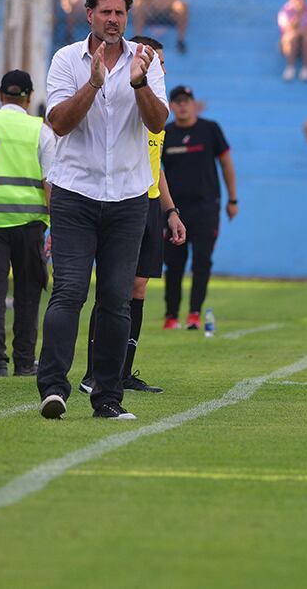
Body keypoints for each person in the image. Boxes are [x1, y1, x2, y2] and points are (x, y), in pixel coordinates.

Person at [37, 0, 167, 421]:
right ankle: (53, 388)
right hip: (75, 192)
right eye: (105, 12)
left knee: (115, 298)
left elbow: (157, 123)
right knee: (69, 291)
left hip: (128, 196)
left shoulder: (145, 61)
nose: (113, 20)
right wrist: (92, 85)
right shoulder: (65, 59)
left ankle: (107, 398)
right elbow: (57, 123)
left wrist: (139, 84)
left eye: (120, 13)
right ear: (89, 14)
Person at [82, 36, 186, 388]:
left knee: (138, 288)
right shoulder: (129, 108)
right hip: (126, 201)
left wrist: (170, 209)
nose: (162, 67)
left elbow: (154, 164)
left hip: (151, 204)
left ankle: (122, 371)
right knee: (116, 288)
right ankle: (94, 373)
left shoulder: (156, 112)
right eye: (156, 59)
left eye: (162, 61)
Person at [0, 70, 53, 378]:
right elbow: (50, 183)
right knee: (28, 293)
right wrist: (55, 225)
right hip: (30, 223)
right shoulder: (39, 130)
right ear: (29, 98)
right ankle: (23, 362)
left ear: (0, 96)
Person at [160, 85, 236, 330]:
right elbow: (154, 169)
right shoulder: (164, 133)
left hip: (205, 208)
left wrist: (232, 199)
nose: (182, 105)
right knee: (173, 264)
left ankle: (194, 313)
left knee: (202, 261)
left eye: (186, 101)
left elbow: (226, 164)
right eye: (177, 101)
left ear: (194, 104)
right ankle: (171, 315)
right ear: (171, 106)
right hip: (174, 212)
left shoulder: (209, 129)